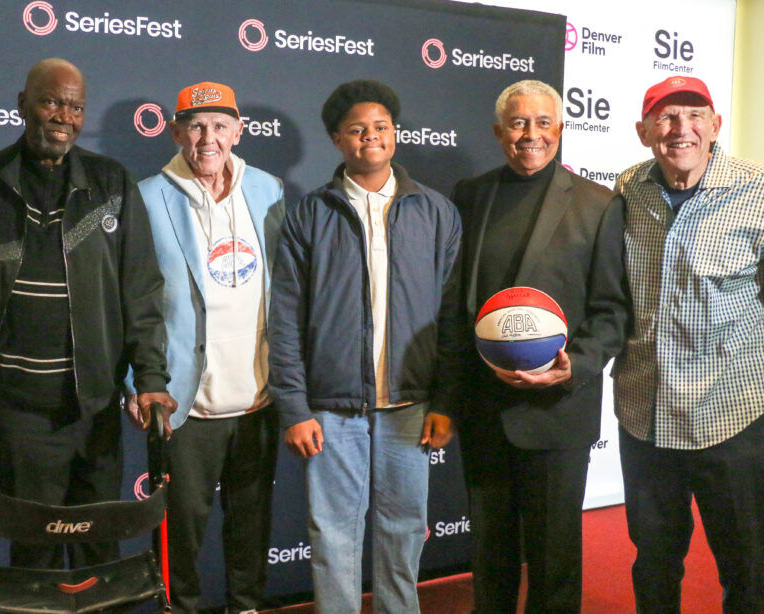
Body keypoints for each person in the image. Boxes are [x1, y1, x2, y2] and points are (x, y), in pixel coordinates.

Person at [0, 57, 177, 570]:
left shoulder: (111, 183)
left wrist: (151, 376)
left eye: (75, 106)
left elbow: (141, 290)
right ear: (23, 105)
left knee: (98, 553)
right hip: (14, 409)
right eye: (50, 101)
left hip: (94, 407)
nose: (63, 115)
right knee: (35, 558)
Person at [268, 80, 459, 613]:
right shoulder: (311, 213)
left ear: (395, 134)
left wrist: (445, 402)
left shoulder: (435, 211)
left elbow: (450, 319)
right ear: (337, 140)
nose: (370, 138)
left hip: (409, 405)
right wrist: (295, 407)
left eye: (380, 127)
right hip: (331, 410)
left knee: (403, 535)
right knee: (332, 537)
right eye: (356, 129)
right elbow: (284, 318)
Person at [442, 79, 628, 613]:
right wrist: (450, 398)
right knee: (491, 558)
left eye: (543, 123)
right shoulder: (471, 195)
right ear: (500, 131)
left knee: (554, 564)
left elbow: (613, 312)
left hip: (556, 412)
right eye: (519, 123)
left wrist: (570, 369)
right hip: (485, 408)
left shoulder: (597, 204)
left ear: (561, 129)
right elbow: (456, 307)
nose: (531, 135)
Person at [613, 75, 764, 613]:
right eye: (667, 117)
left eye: (695, 115)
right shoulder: (625, 190)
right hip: (645, 415)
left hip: (732, 415)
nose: (682, 129)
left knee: (748, 565)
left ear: (715, 125)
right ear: (643, 130)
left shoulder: (757, 191)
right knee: (653, 560)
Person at [137, 81, 284, 614]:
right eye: (196, 126)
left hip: (259, 400)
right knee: (181, 536)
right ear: (176, 131)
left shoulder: (269, 190)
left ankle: (247, 606)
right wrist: (140, 384)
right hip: (185, 403)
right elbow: (130, 301)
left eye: (220, 126)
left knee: (251, 527)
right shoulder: (146, 197)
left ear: (239, 131)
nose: (207, 138)